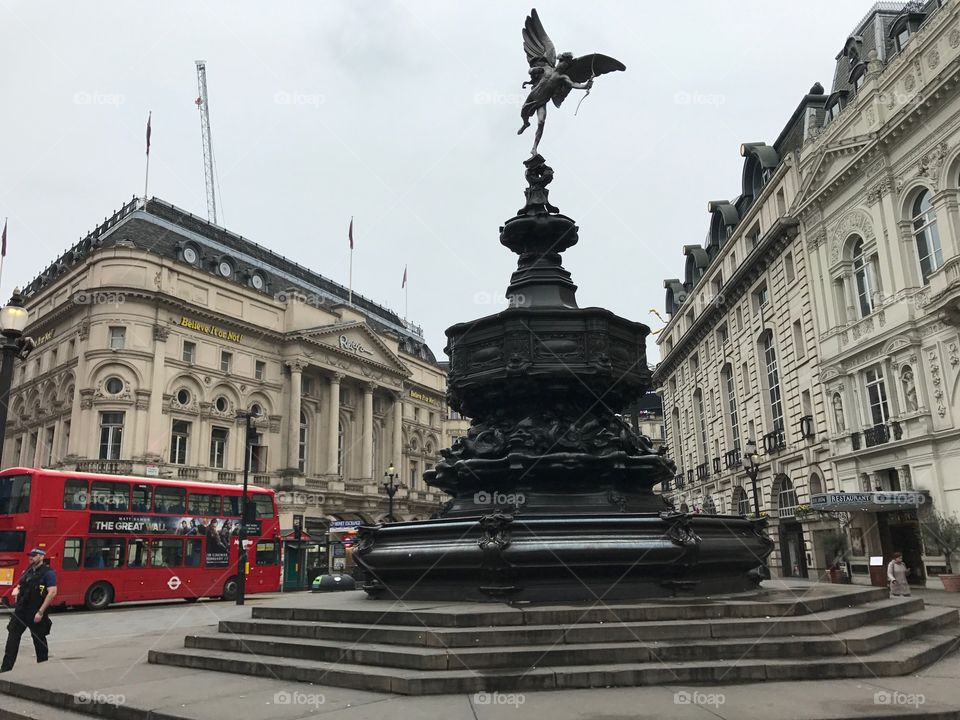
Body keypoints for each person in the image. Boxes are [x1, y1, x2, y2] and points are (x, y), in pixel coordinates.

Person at [1, 549, 57, 672]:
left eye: (34, 556)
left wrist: (41, 612)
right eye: (30, 556)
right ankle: (5, 669)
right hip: (21, 610)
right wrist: (17, 590)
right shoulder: (28, 570)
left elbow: (52, 592)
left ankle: (43, 667)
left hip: (35, 611)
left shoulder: (48, 573)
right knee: (12, 639)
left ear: (42, 557)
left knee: (39, 640)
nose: (31, 558)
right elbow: (21, 584)